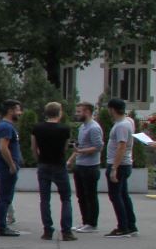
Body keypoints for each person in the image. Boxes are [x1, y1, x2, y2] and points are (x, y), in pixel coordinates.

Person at [31, 101, 75, 241]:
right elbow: (65, 148)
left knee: (45, 199)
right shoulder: (64, 129)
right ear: (59, 113)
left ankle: (47, 230)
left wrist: (39, 159)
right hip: (59, 165)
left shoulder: (37, 128)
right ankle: (66, 231)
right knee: (66, 198)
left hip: (44, 164)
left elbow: (33, 147)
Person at [104, 97, 140, 238]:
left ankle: (123, 227)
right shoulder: (127, 122)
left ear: (112, 109)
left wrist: (114, 168)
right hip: (124, 164)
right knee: (123, 195)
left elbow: (121, 146)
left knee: (115, 196)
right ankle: (131, 226)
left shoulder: (121, 126)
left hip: (119, 164)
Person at [71, 101, 104, 232]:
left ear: (88, 112)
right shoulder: (82, 127)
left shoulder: (94, 127)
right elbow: (79, 146)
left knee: (90, 196)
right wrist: (71, 159)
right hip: (80, 165)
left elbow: (98, 147)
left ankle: (92, 223)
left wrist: (81, 151)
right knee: (81, 196)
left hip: (90, 167)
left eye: (79, 111)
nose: (77, 114)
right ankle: (85, 221)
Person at [0, 99, 22, 237]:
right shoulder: (6, 127)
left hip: (6, 166)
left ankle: (2, 226)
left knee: (5, 197)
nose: (20, 113)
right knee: (5, 197)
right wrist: (11, 165)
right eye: (18, 110)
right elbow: (3, 148)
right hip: (6, 167)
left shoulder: (7, 126)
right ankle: (2, 227)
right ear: (10, 111)